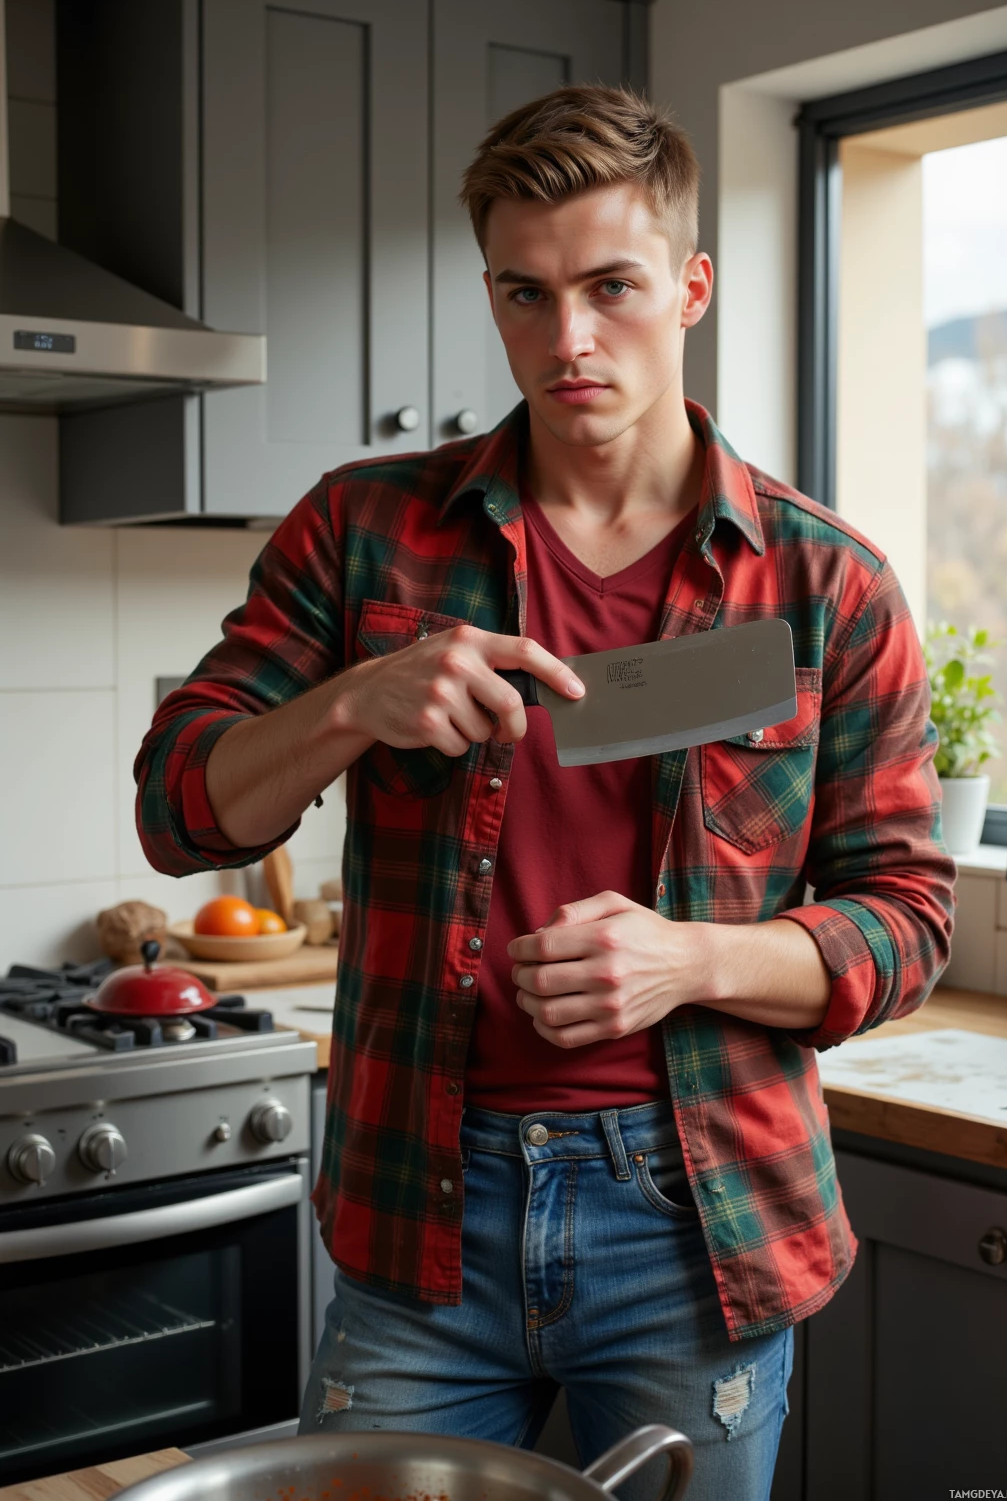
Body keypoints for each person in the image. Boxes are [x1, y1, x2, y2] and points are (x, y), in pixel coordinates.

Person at [135, 85, 956, 1501]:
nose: (567, 341)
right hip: (417, 1215)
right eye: (526, 293)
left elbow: (910, 921)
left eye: (611, 288)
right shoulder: (363, 530)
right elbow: (182, 808)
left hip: (694, 1223)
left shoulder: (825, 584)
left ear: (691, 287)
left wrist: (689, 960)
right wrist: (354, 702)